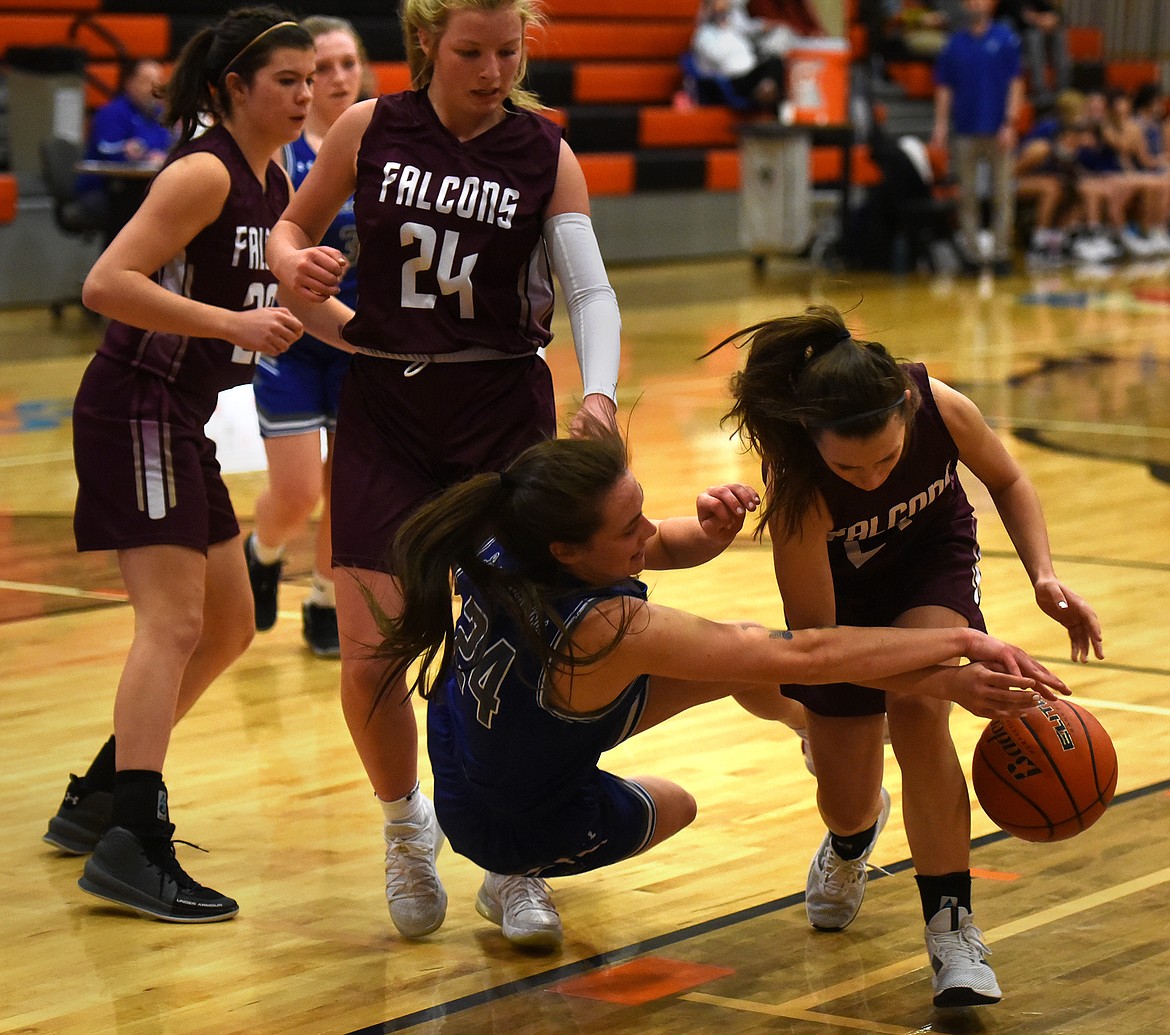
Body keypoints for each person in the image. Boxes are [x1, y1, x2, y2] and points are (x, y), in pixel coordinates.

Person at [369, 421, 1067, 949]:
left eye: (641, 507)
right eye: (629, 526)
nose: (648, 527)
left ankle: (808, 736)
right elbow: (808, 654)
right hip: (514, 817)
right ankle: (512, 876)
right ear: (568, 553)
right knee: (680, 802)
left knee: (729, 664)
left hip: (476, 733)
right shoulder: (609, 626)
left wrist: (707, 532)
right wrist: (958, 650)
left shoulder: (505, 531)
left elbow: (663, 547)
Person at [265, 0, 622, 941]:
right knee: (371, 645)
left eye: (509, 51)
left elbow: (587, 288)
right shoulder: (368, 126)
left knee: (524, 639)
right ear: (427, 42)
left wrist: (602, 393)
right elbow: (285, 235)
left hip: (503, 409)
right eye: (472, 50)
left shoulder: (545, 151)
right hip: (386, 411)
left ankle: (515, 860)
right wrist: (303, 279)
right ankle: (404, 825)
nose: (493, 68)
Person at [711, 305, 1102, 1007]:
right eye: (848, 466)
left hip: (931, 562)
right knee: (848, 801)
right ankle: (854, 838)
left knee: (920, 710)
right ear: (811, 436)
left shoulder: (938, 404)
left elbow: (1008, 479)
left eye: (887, 460)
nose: (868, 479)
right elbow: (820, 649)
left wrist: (1043, 574)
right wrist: (953, 681)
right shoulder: (798, 486)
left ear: (908, 408)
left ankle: (953, 931)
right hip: (840, 617)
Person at [41, 8, 315, 923]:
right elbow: (106, 283)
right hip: (135, 406)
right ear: (234, 87)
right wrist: (233, 325)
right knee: (172, 620)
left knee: (232, 621)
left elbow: (293, 310)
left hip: (179, 417)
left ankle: (99, 791)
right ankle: (132, 837)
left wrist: (399, 347)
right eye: (287, 80)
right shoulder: (205, 171)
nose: (306, 95)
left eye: (312, 79)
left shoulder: (278, 182)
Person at [244, 16, 369, 658]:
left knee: (347, 488)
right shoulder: (281, 153)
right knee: (297, 493)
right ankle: (262, 551)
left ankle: (324, 597)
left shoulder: (383, 145)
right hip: (293, 337)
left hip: (360, 342)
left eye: (350, 63)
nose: (339, 78)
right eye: (324, 67)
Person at [931, 0, 1024, 274]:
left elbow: (1015, 83)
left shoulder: (1006, 39)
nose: (975, 4)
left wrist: (1011, 121)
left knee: (1002, 194)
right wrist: (940, 125)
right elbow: (944, 88)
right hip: (965, 128)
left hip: (999, 129)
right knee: (966, 195)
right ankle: (971, 254)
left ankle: (1001, 253)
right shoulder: (953, 44)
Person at [74, 58, 178, 247]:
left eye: (158, 81)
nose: (154, 88)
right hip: (104, 190)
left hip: (145, 187)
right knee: (137, 206)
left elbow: (168, 147)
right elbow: (106, 149)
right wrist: (130, 151)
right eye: (147, 81)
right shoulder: (112, 112)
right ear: (129, 83)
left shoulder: (159, 115)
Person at [688, 0, 787, 112]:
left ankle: (767, 92)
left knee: (775, 61)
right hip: (731, 79)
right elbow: (717, 61)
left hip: (750, 71)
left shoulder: (734, 28)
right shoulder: (704, 35)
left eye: (725, 10)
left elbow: (749, 35)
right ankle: (765, 95)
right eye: (718, 10)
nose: (722, 13)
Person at [995, 0, 1068, 107]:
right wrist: (1041, 20)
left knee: (1059, 34)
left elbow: (1054, 14)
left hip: (1034, 33)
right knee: (1034, 36)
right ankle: (1040, 90)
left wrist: (1053, 19)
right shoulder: (1008, 3)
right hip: (1016, 39)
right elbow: (1020, 18)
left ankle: (1063, 89)